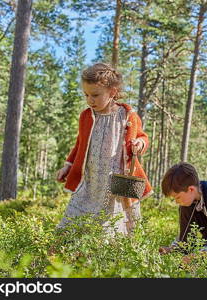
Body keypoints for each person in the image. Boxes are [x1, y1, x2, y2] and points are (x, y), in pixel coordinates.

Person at [56, 63, 153, 235]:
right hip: (91, 180)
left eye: (95, 95)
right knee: (72, 222)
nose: (90, 100)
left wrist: (140, 143)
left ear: (113, 92)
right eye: (86, 95)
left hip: (115, 183)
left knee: (110, 225)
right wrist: (68, 165)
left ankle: (106, 256)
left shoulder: (128, 116)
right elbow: (80, 144)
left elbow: (143, 137)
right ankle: (66, 251)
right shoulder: (86, 116)